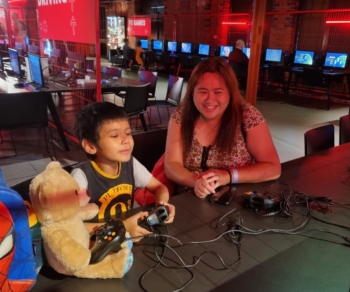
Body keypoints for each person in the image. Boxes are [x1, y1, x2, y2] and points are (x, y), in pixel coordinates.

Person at [165, 57, 281, 197]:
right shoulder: (181, 116)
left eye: (218, 92)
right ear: (192, 93)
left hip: (234, 202)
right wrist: (197, 182)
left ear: (230, 93)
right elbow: (172, 165)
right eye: (203, 91)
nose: (210, 100)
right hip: (188, 201)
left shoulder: (247, 116)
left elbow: (272, 168)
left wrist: (228, 176)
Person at [72, 102, 175, 241]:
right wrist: (123, 226)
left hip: (126, 238)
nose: (126, 140)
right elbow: (71, 225)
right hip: (97, 244)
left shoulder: (130, 164)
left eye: (128, 133)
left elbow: (158, 187)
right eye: (115, 136)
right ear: (90, 146)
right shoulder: (81, 176)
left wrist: (162, 204)